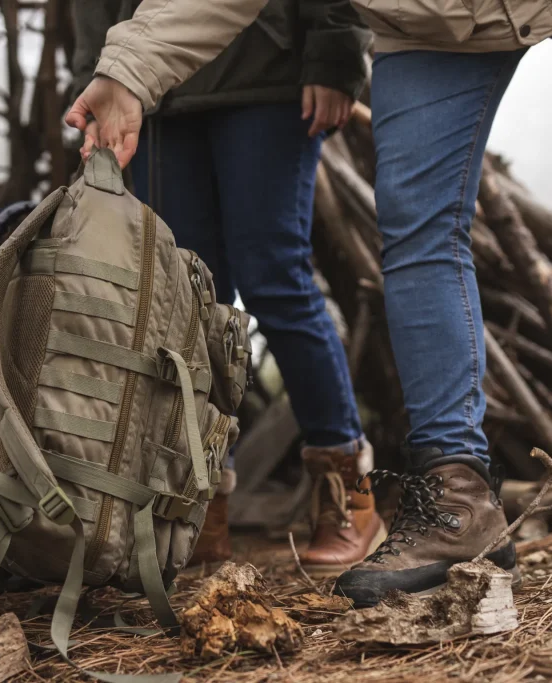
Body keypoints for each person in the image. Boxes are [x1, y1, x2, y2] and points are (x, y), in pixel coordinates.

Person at [65, 0, 552, 605]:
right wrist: (127, 70)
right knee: (419, 235)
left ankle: (347, 491)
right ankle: (456, 503)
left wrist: (331, 56)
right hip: (431, 22)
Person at [70, 0, 386, 576]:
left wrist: (336, 49)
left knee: (275, 279)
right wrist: (99, 73)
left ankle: (349, 497)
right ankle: (201, 506)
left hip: (267, 70)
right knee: (186, 300)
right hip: (159, 90)